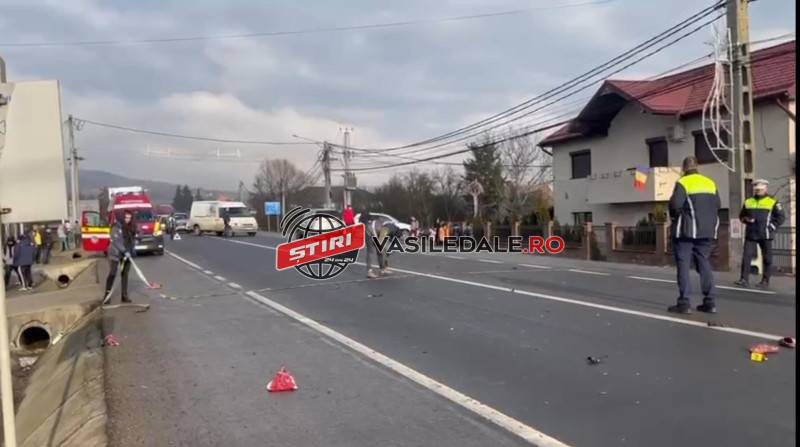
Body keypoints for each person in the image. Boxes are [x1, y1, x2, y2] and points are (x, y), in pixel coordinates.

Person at [667, 156, 720, 314]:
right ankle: (710, 302)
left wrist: (676, 218)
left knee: (683, 264)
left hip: (686, 231)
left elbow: (675, 205)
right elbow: (718, 204)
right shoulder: (710, 183)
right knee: (704, 263)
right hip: (707, 231)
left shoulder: (683, 182)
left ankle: (684, 303)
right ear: (698, 166)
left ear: (684, 168)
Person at [734, 179, 785, 288]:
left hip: (765, 234)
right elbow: (741, 216)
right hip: (751, 234)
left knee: (767, 258)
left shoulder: (773, 202)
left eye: (760, 189)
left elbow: (781, 217)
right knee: (746, 256)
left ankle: (765, 281)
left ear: (765, 189)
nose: (758, 191)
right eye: (757, 189)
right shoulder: (748, 201)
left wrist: (771, 227)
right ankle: (743, 279)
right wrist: (746, 220)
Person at [105, 210, 137, 303]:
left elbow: (132, 240)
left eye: (130, 218)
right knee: (113, 273)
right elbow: (116, 241)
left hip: (126, 254)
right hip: (115, 254)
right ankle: (107, 296)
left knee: (125, 274)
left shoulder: (131, 227)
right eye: (126, 217)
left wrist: (132, 249)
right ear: (122, 217)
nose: (128, 220)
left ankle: (124, 295)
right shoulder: (116, 227)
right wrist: (124, 250)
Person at [362, 210, 384, 279]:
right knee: (370, 252)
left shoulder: (378, 223)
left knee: (379, 251)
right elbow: (374, 231)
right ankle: (369, 271)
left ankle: (382, 268)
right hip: (369, 234)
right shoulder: (376, 223)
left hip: (371, 233)